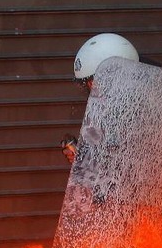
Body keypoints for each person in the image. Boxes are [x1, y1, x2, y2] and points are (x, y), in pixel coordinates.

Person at [62, 33, 148, 163]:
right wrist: (81, 155)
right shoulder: (103, 110)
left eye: (98, 81)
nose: (94, 88)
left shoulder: (149, 108)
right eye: (90, 83)